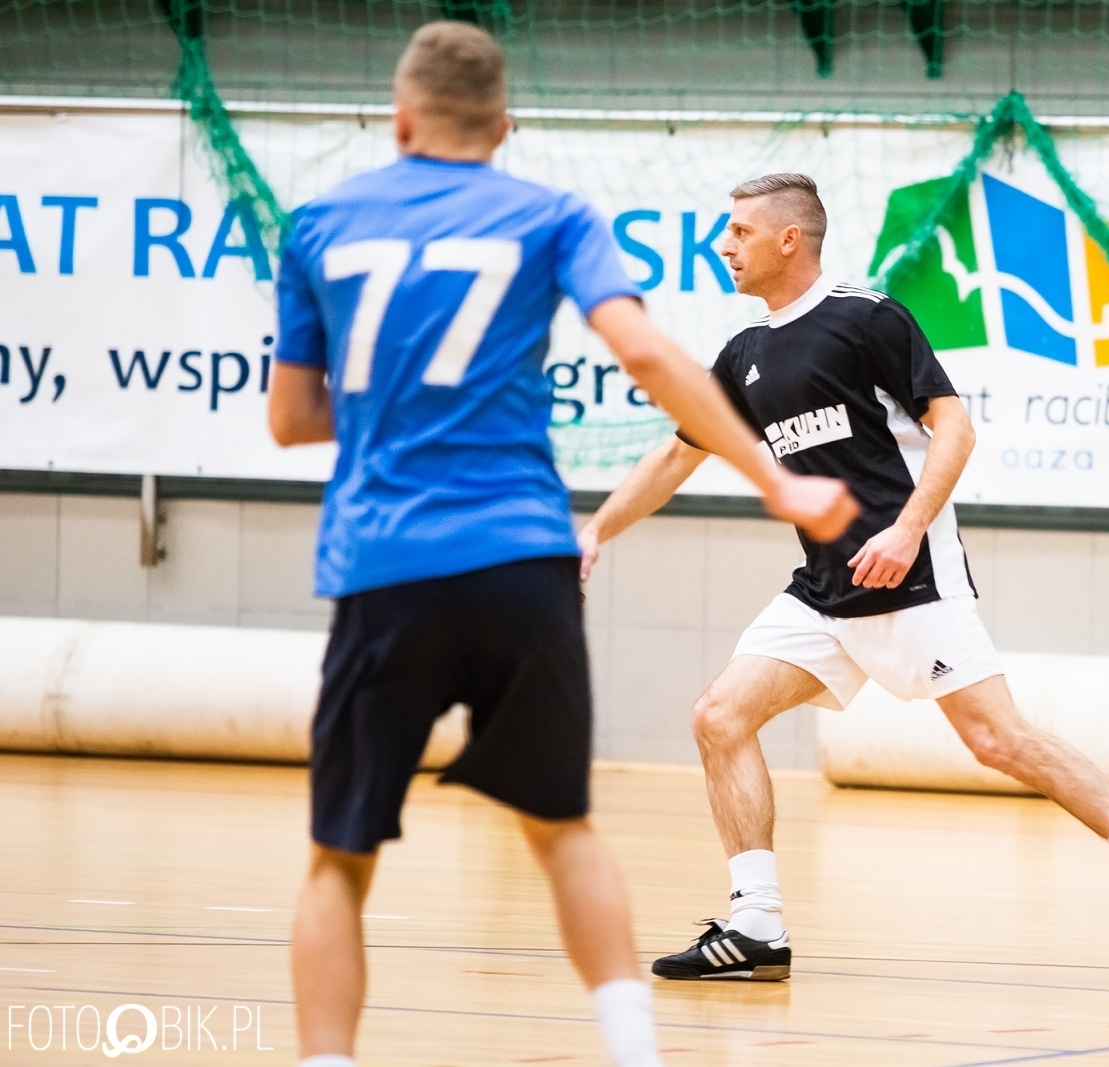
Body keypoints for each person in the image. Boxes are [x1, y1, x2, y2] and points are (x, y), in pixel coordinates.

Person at [266, 28, 856, 1067]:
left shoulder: (317, 222)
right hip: (518, 560)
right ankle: (634, 1051)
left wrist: (393, 406)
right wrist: (775, 478)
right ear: (501, 130)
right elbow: (644, 352)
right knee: (561, 830)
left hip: (382, 564)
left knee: (337, 858)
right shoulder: (549, 215)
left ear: (399, 121)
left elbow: (290, 418)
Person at [578, 173, 1109, 992]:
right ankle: (757, 924)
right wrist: (595, 530)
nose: (725, 245)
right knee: (720, 715)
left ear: (789, 239)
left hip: (913, 574)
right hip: (823, 589)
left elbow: (953, 427)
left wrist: (907, 526)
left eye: (740, 231)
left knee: (1000, 741)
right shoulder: (743, 355)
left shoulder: (866, 317)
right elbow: (678, 454)